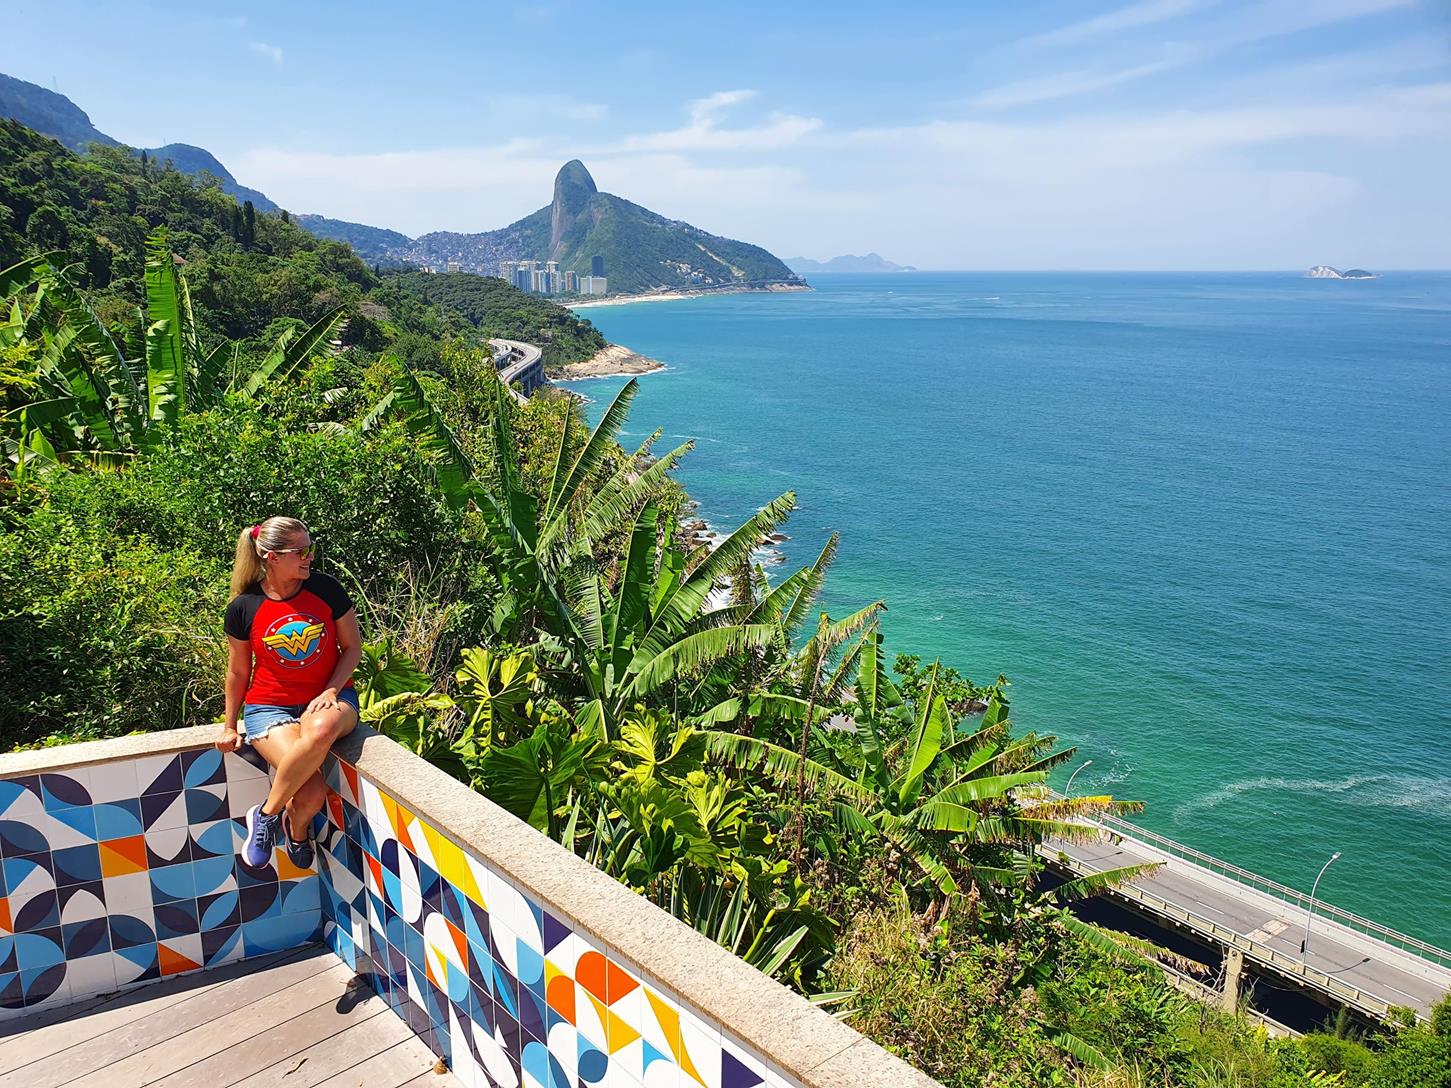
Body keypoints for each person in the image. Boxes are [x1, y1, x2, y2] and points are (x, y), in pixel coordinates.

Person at [217, 516, 362, 869]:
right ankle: (296, 831)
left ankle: (266, 816)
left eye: (310, 548)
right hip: (269, 708)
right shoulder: (243, 607)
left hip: (334, 697)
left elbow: (353, 647)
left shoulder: (326, 589)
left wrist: (330, 690)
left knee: (321, 729)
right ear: (271, 556)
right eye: (300, 551)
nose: (309, 557)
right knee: (311, 794)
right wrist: (229, 725)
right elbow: (238, 671)